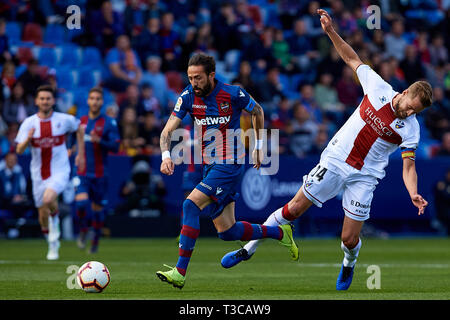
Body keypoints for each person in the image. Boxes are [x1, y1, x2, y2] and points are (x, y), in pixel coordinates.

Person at [221, 9, 433, 291]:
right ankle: (247, 250)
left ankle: (348, 264)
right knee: (293, 209)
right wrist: (331, 31)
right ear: (405, 92)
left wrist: (413, 193)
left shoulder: (411, 128)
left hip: (365, 176)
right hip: (335, 160)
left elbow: (409, 166)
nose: (409, 113)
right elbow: (350, 57)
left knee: (348, 239)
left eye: (414, 112)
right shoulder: (377, 87)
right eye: (410, 106)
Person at [156, 53, 298, 289]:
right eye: (190, 78)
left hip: (230, 162)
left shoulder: (233, 93)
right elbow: (167, 130)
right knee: (227, 231)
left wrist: (258, 146)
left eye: (198, 78)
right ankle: (280, 233)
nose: (194, 83)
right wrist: (166, 155)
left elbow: (258, 111)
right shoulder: (188, 97)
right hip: (209, 165)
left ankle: (179, 272)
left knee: (190, 205)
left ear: (211, 75)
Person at [15, 85, 85, 260]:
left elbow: (80, 128)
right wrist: (28, 139)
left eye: (48, 98)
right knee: (42, 216)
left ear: (53, 101)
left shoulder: (64, 119)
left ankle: (54, 238)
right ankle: (51, 238)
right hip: (38, 174)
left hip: (60, 170)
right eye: (42, 98)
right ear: (37, 101)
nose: (45, 101)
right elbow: (18, 149)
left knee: (49, 199)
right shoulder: (29, 123)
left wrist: (79, 153)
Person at [74, 87, 120, 254]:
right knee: (81, 203)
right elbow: (78, 141)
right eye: (92, 98)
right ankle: (83, 229)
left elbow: (116, 146)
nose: (94, 101)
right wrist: (75, 152)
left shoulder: (109, 122)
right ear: (88, 101)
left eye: (97, 99)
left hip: (100, 174)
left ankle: (94, 242)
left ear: (101, 102)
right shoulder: (81, 121)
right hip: (82, 172)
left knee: (98, 211)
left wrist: (99, 140)